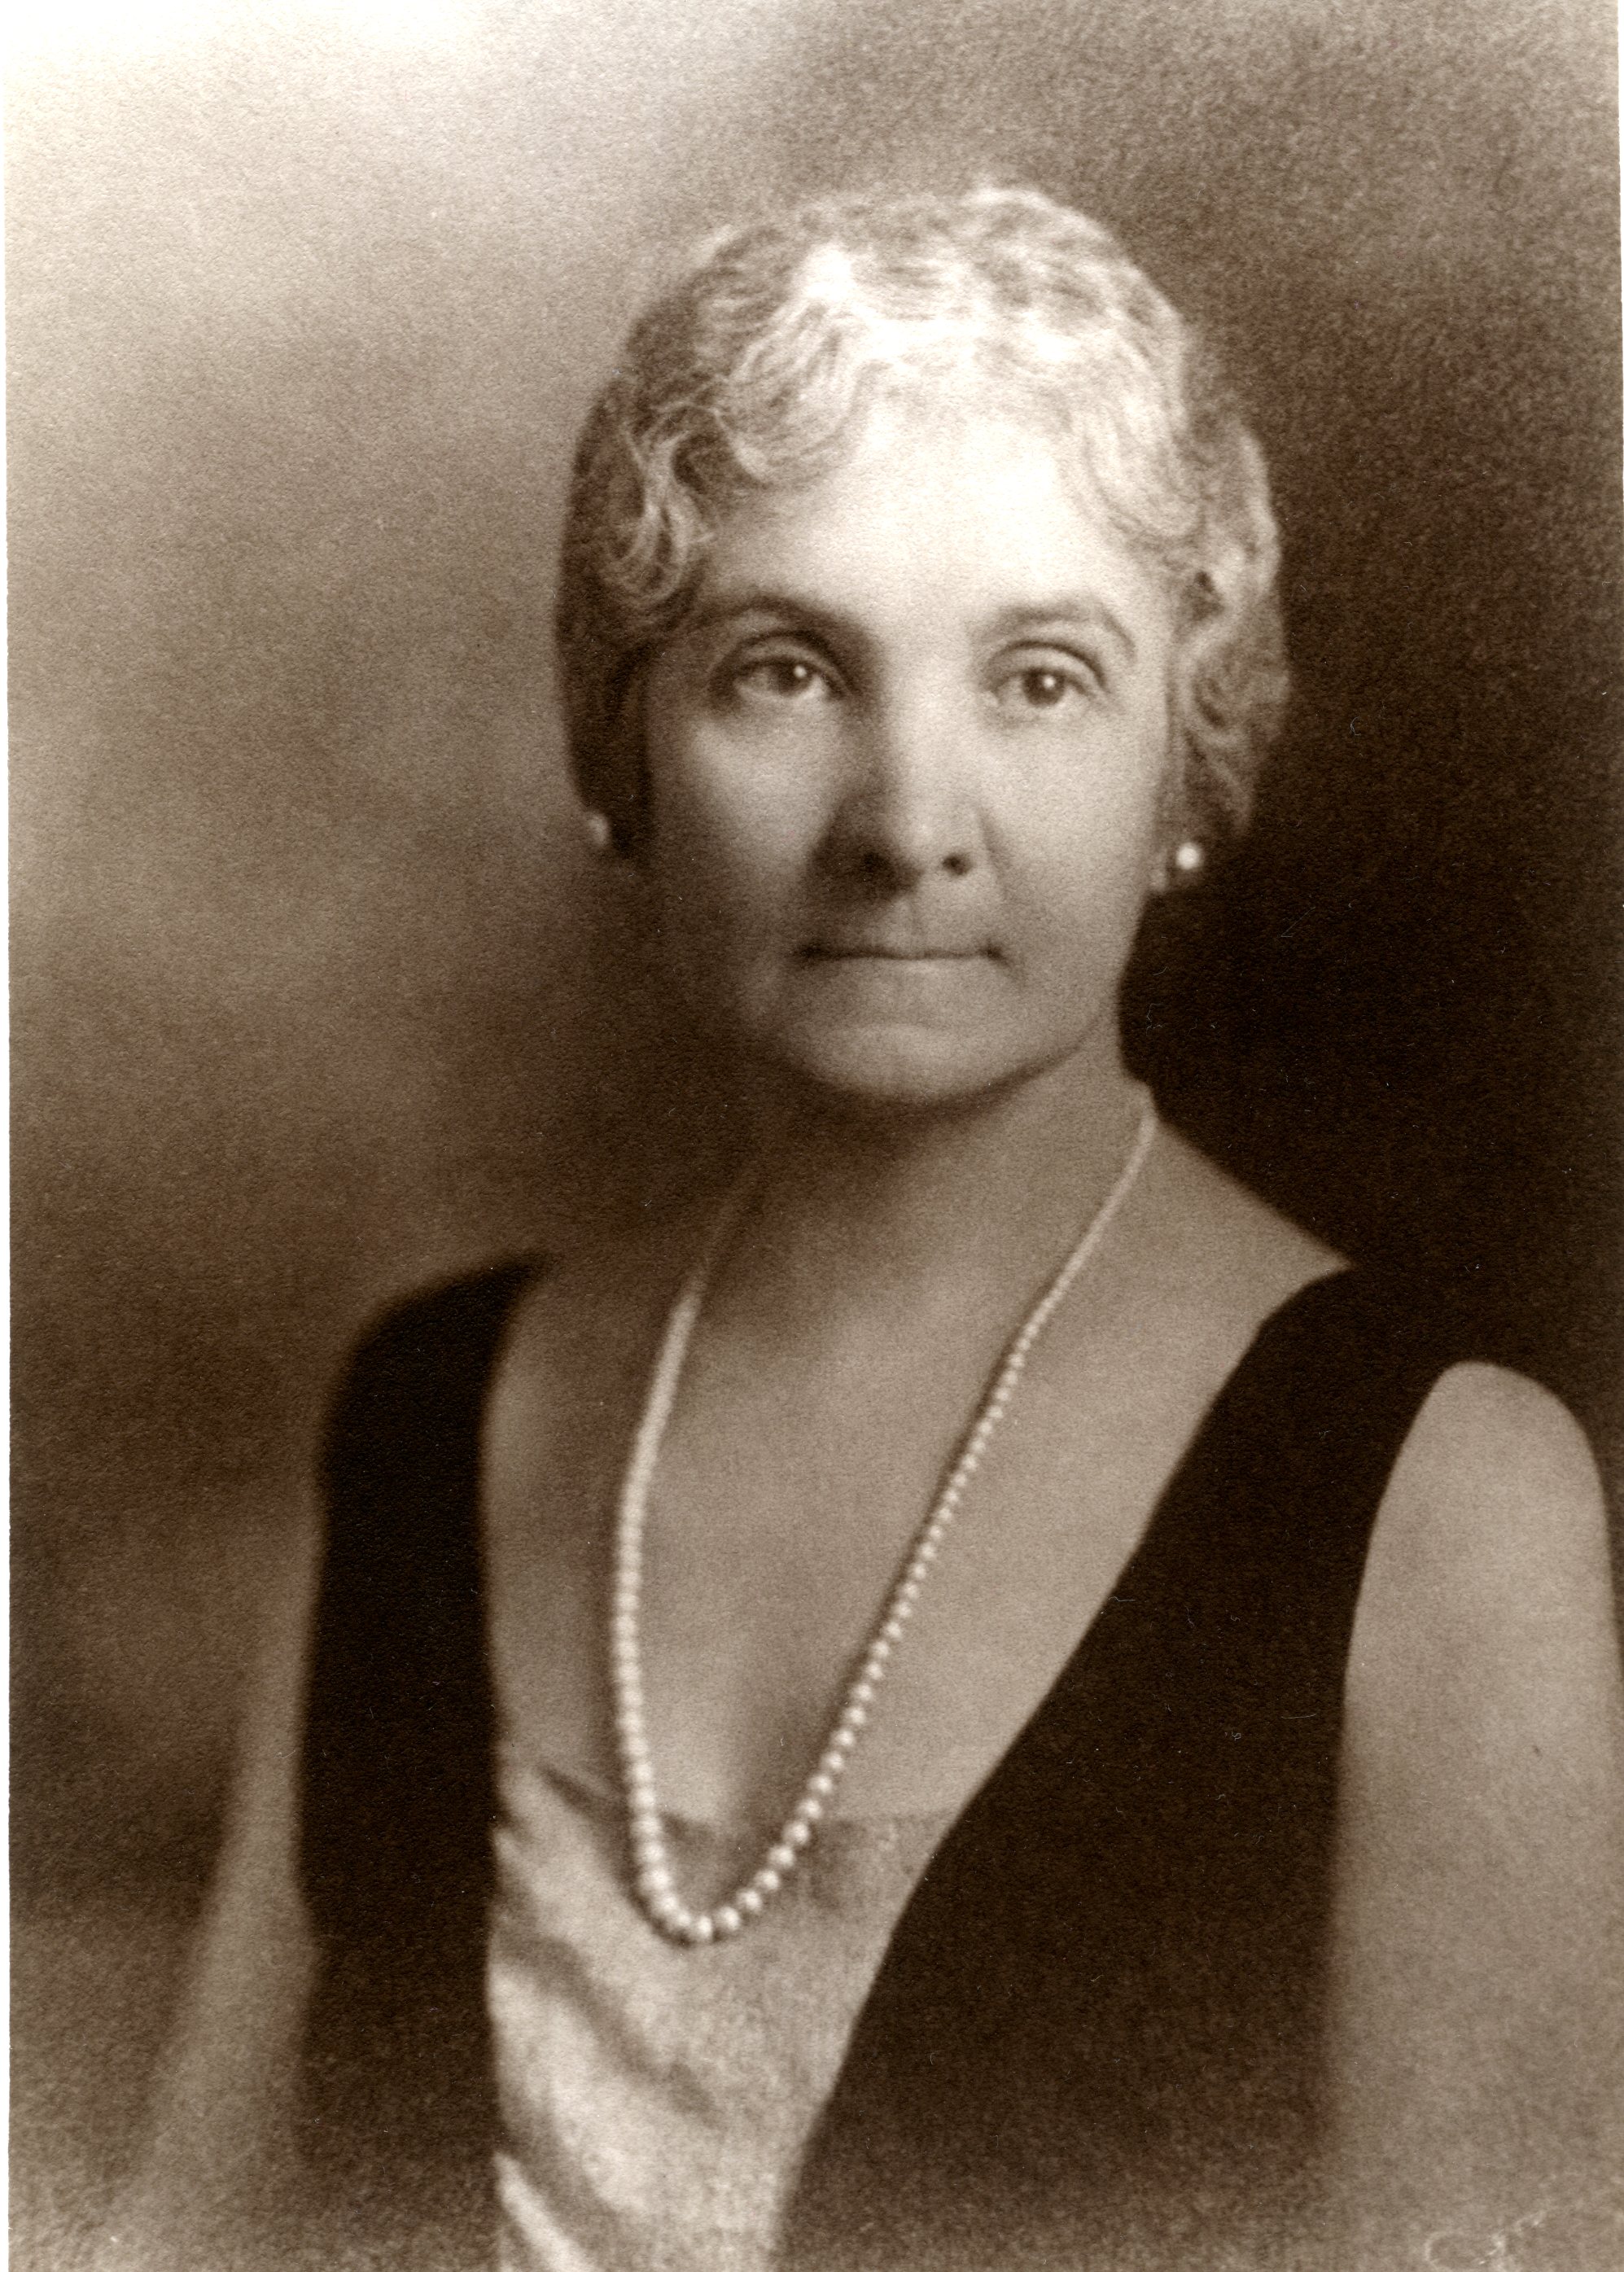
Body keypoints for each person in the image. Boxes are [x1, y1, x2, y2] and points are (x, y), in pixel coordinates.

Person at [107, 186, 1623, 2272]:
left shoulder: (1442, 1502)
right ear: (624, 750)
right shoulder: (422, 1421)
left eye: (1039, 678)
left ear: (1183, 760)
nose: (907, 823)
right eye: (787, 668)